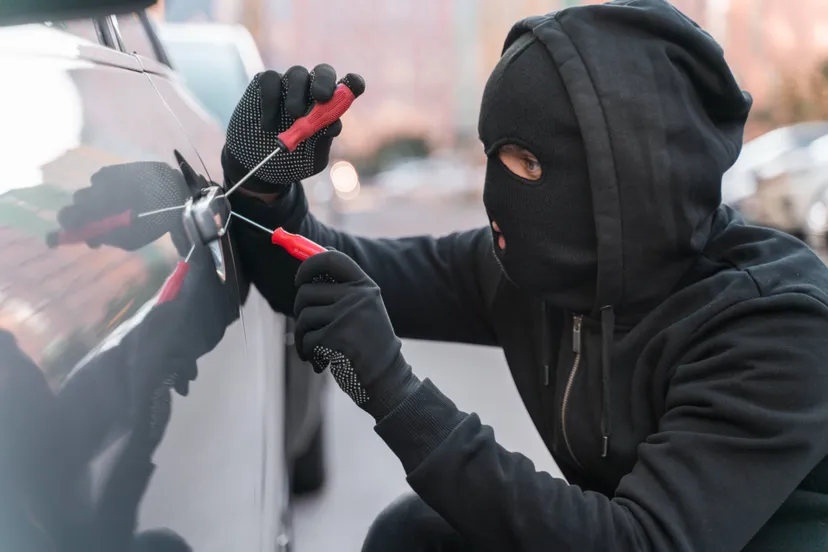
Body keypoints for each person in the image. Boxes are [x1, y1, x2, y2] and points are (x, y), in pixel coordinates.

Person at [223, 1, 828, 550]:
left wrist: (396, 393)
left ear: (625, 175)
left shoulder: (775, 324)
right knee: (414, 538)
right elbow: (326, 272)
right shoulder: (534, 270)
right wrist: (265, 187)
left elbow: (641, 543)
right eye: (493, 154)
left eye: (529, 161)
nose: (496, 193)